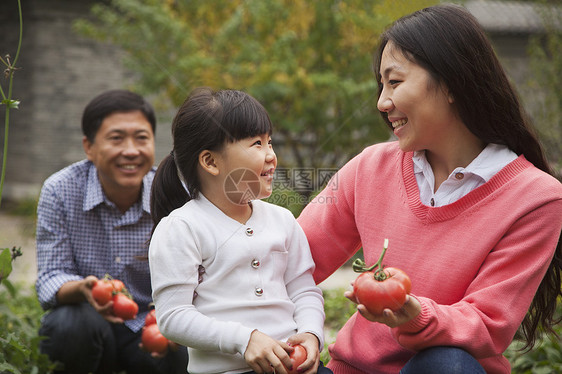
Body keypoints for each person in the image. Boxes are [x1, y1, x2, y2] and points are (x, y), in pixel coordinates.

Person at [297, 4, 562, 374]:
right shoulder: (369, 166)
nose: (382, 102)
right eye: (381, 85)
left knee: (447, 362)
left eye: (395, 82)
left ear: (452, 83)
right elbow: (293, 259)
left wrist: (415, 314)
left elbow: (488, 323)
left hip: (444, 368)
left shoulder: (537, 199)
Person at [148, 87, 329, 374]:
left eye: (270, 143)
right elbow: (173, 317)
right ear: (210, 162)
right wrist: (244, 340)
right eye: (257, 143)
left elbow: (304, 290)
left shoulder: (282, 221)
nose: (271, 155)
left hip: (291, 365)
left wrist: (310, 333)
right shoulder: (182, 228)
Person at [35, 89, 188, 374]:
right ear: (89, 147)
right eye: (116, 138)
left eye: (141, 138)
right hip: (88, 320)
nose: (131, 150)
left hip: (148, 326)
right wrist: (83, 288)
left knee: (183, 342)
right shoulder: (60, 190)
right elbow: (50, 277)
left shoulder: (173, 195)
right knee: (69, 324)